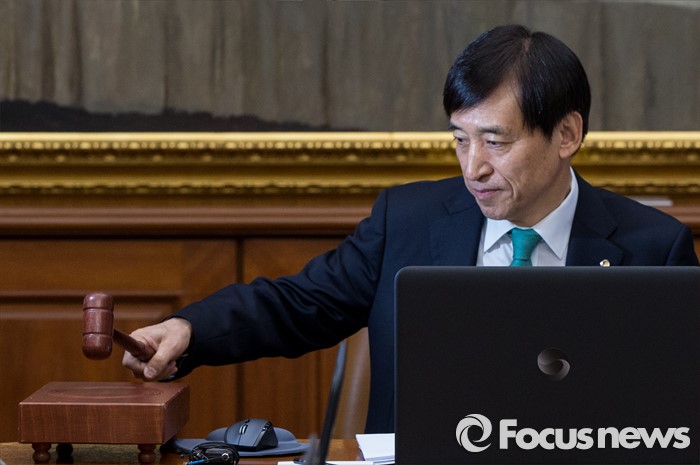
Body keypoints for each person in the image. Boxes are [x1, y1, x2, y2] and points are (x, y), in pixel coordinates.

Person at [123, 24, 699, 434]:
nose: (473, 167)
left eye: (495, 141)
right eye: (460, 139)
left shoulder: (653, 247)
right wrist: (188, 329)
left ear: (567, 135)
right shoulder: (408, 219)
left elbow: (676, 411)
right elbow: (297, 304)